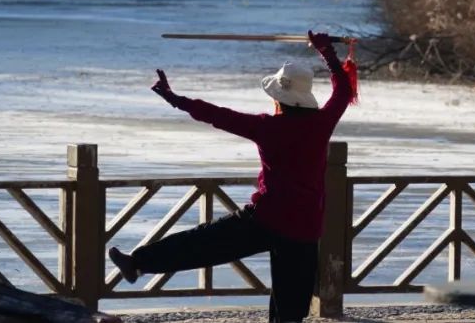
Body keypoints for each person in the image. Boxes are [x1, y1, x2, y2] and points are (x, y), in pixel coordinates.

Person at [108, 30, 355, 323]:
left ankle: (138, 263)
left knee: (200, 243)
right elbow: (342, 90)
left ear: (279, 100)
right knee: (290, 310)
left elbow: (218, 115)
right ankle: (137, 264)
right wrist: (326, 51)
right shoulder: (321, 123)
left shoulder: (267, 127)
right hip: (304, 227)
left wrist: (176, 99)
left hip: (266, 219)